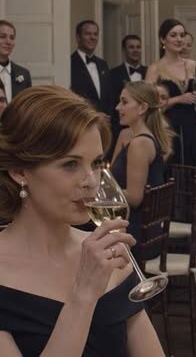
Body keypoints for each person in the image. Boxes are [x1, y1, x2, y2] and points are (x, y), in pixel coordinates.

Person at [0, 85, 164, 356]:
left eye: (96, 163)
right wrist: (83, 295)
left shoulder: (105, 253)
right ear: (19, 171)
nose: (91, 182)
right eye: (70, 164)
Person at [111, 81, 172, 258]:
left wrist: (98, 192)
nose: (117, 107)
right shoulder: (127, 135)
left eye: (124, 102)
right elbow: (111, 178)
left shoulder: (140, 144)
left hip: (136, 234)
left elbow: (134, 198)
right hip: (127, 224)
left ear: (142, 107)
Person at [146, 19, 196, 166]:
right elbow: (148, 105)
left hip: (193, 127)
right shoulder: (155, 69)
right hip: (167, 128)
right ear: (163, 39)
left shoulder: (193, 65)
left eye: (182, 35)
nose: (179, 39)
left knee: (195, 168)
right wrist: (178, 99)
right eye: (173, 35)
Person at [70, 20, 113, 115]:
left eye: (95, 34)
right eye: (88, 34)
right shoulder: (69, 64)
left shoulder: (103, 64)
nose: (92, 37)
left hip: (105, 121)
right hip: (81, 119)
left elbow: (109, 97)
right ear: (78, 37)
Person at [110, 35, 147, 144]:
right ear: (124, 50)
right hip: (121, 128)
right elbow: (111, 103)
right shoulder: (112, 74)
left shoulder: (149, 72)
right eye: (131, 47)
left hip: (145, 126)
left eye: (138, 47)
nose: (135, 50)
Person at [0, 20, 32, 102]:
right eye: (2, 36)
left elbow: (28, 105)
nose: (8, 42)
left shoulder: (24, 74)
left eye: (12, 38)